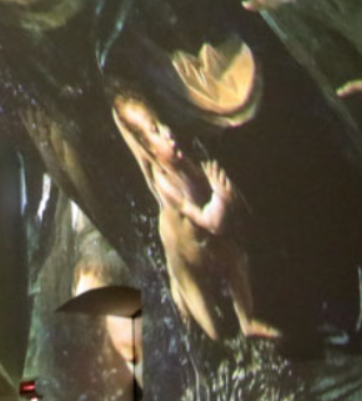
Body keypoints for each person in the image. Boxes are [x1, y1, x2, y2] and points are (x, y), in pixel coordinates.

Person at [111, 89, 279, 342]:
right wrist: (221, 198)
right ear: (148, 149)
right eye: (156, 131)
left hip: (209, 244)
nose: (168, 132)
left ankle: (247, 322)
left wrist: (225, 192)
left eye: (162, 123)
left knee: (234, 259)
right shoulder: (165, 185)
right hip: (186, 261)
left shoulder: (186, 163)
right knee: (214, 332)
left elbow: (218, 215)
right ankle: (181, 299)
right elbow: (210, 221)